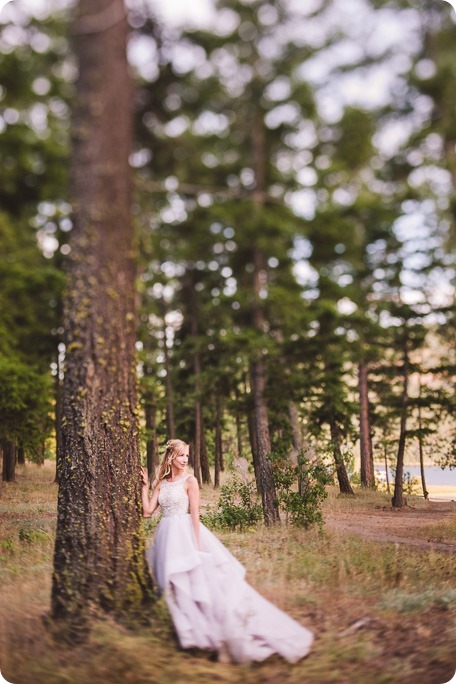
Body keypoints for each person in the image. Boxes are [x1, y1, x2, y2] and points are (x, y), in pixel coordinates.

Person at [141, 438, 314, 664]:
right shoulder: (161, 484)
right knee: (176, 587)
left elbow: (195, 515)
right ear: (171, 456)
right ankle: (193, 634)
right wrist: (145, 486)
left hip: (186, 537)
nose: (185, 460)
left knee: (199, 587)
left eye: (187, 455)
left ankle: (218, 633)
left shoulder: (190, 481)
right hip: (166, 538)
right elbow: (146, 512)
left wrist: (196, 545)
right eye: (181, 455)